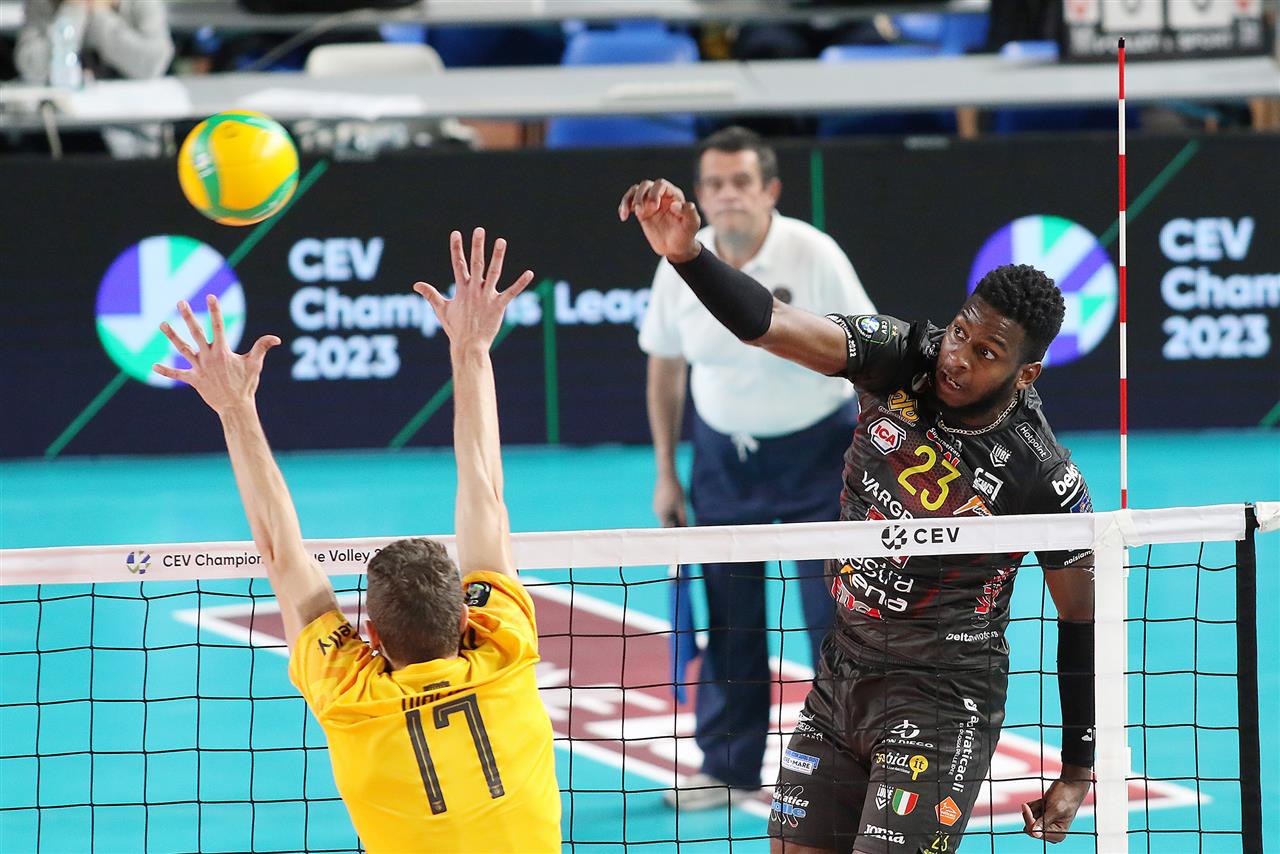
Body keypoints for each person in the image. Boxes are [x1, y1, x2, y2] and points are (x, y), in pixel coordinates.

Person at [620, 179, 1096, 853]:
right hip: (841, 673)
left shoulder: (1041, 473)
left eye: (986, 353)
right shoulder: (903, 357)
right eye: (961, 332)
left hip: (942, 699)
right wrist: (688, 256)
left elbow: (1081, 619)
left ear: (1027, 375)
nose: (958, 357)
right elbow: (771, 323)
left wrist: (1077, 770)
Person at [154, 229, 560, 854]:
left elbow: (281, 553)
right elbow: (486, 494)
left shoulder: (351, 695)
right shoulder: (504, 648)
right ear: (463, 619)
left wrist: (235, 408)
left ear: (371, 635)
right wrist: (472, 348)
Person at [638, 126, 876, 810]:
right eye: (714, 184)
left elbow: (869, 355)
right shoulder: (676, 263)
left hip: (821, 457)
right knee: (729, 622)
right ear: (700, 195)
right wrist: (667, 471)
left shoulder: (814, 253)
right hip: (723, 461)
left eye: (741, 181)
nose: (727, 195)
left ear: (770, 190)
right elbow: (665, 366)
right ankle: (728, 766)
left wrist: (875, 463)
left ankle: (850, 768)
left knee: (837, 622)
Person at [16, 0, 173, 85]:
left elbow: (153, 65)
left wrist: (100, 16)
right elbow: (31, 68)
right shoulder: (43, 3)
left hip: (131, 122)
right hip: (59, 123)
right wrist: (73, 11)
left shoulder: (142, 4)